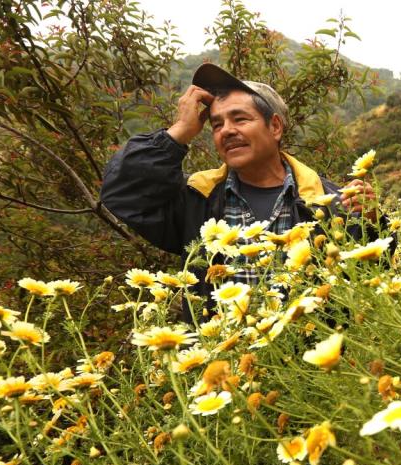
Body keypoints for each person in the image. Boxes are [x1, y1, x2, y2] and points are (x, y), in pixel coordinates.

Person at [100, 63, 383, 319]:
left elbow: (376, 280)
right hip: (222, 369)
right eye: (217, 124)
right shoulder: (197, 199)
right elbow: (122, 194)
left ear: (274, 127)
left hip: (307, 371)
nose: (227, 131)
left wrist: (372, 224)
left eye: (240, 119)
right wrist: (180, 131)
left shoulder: (328, 201)